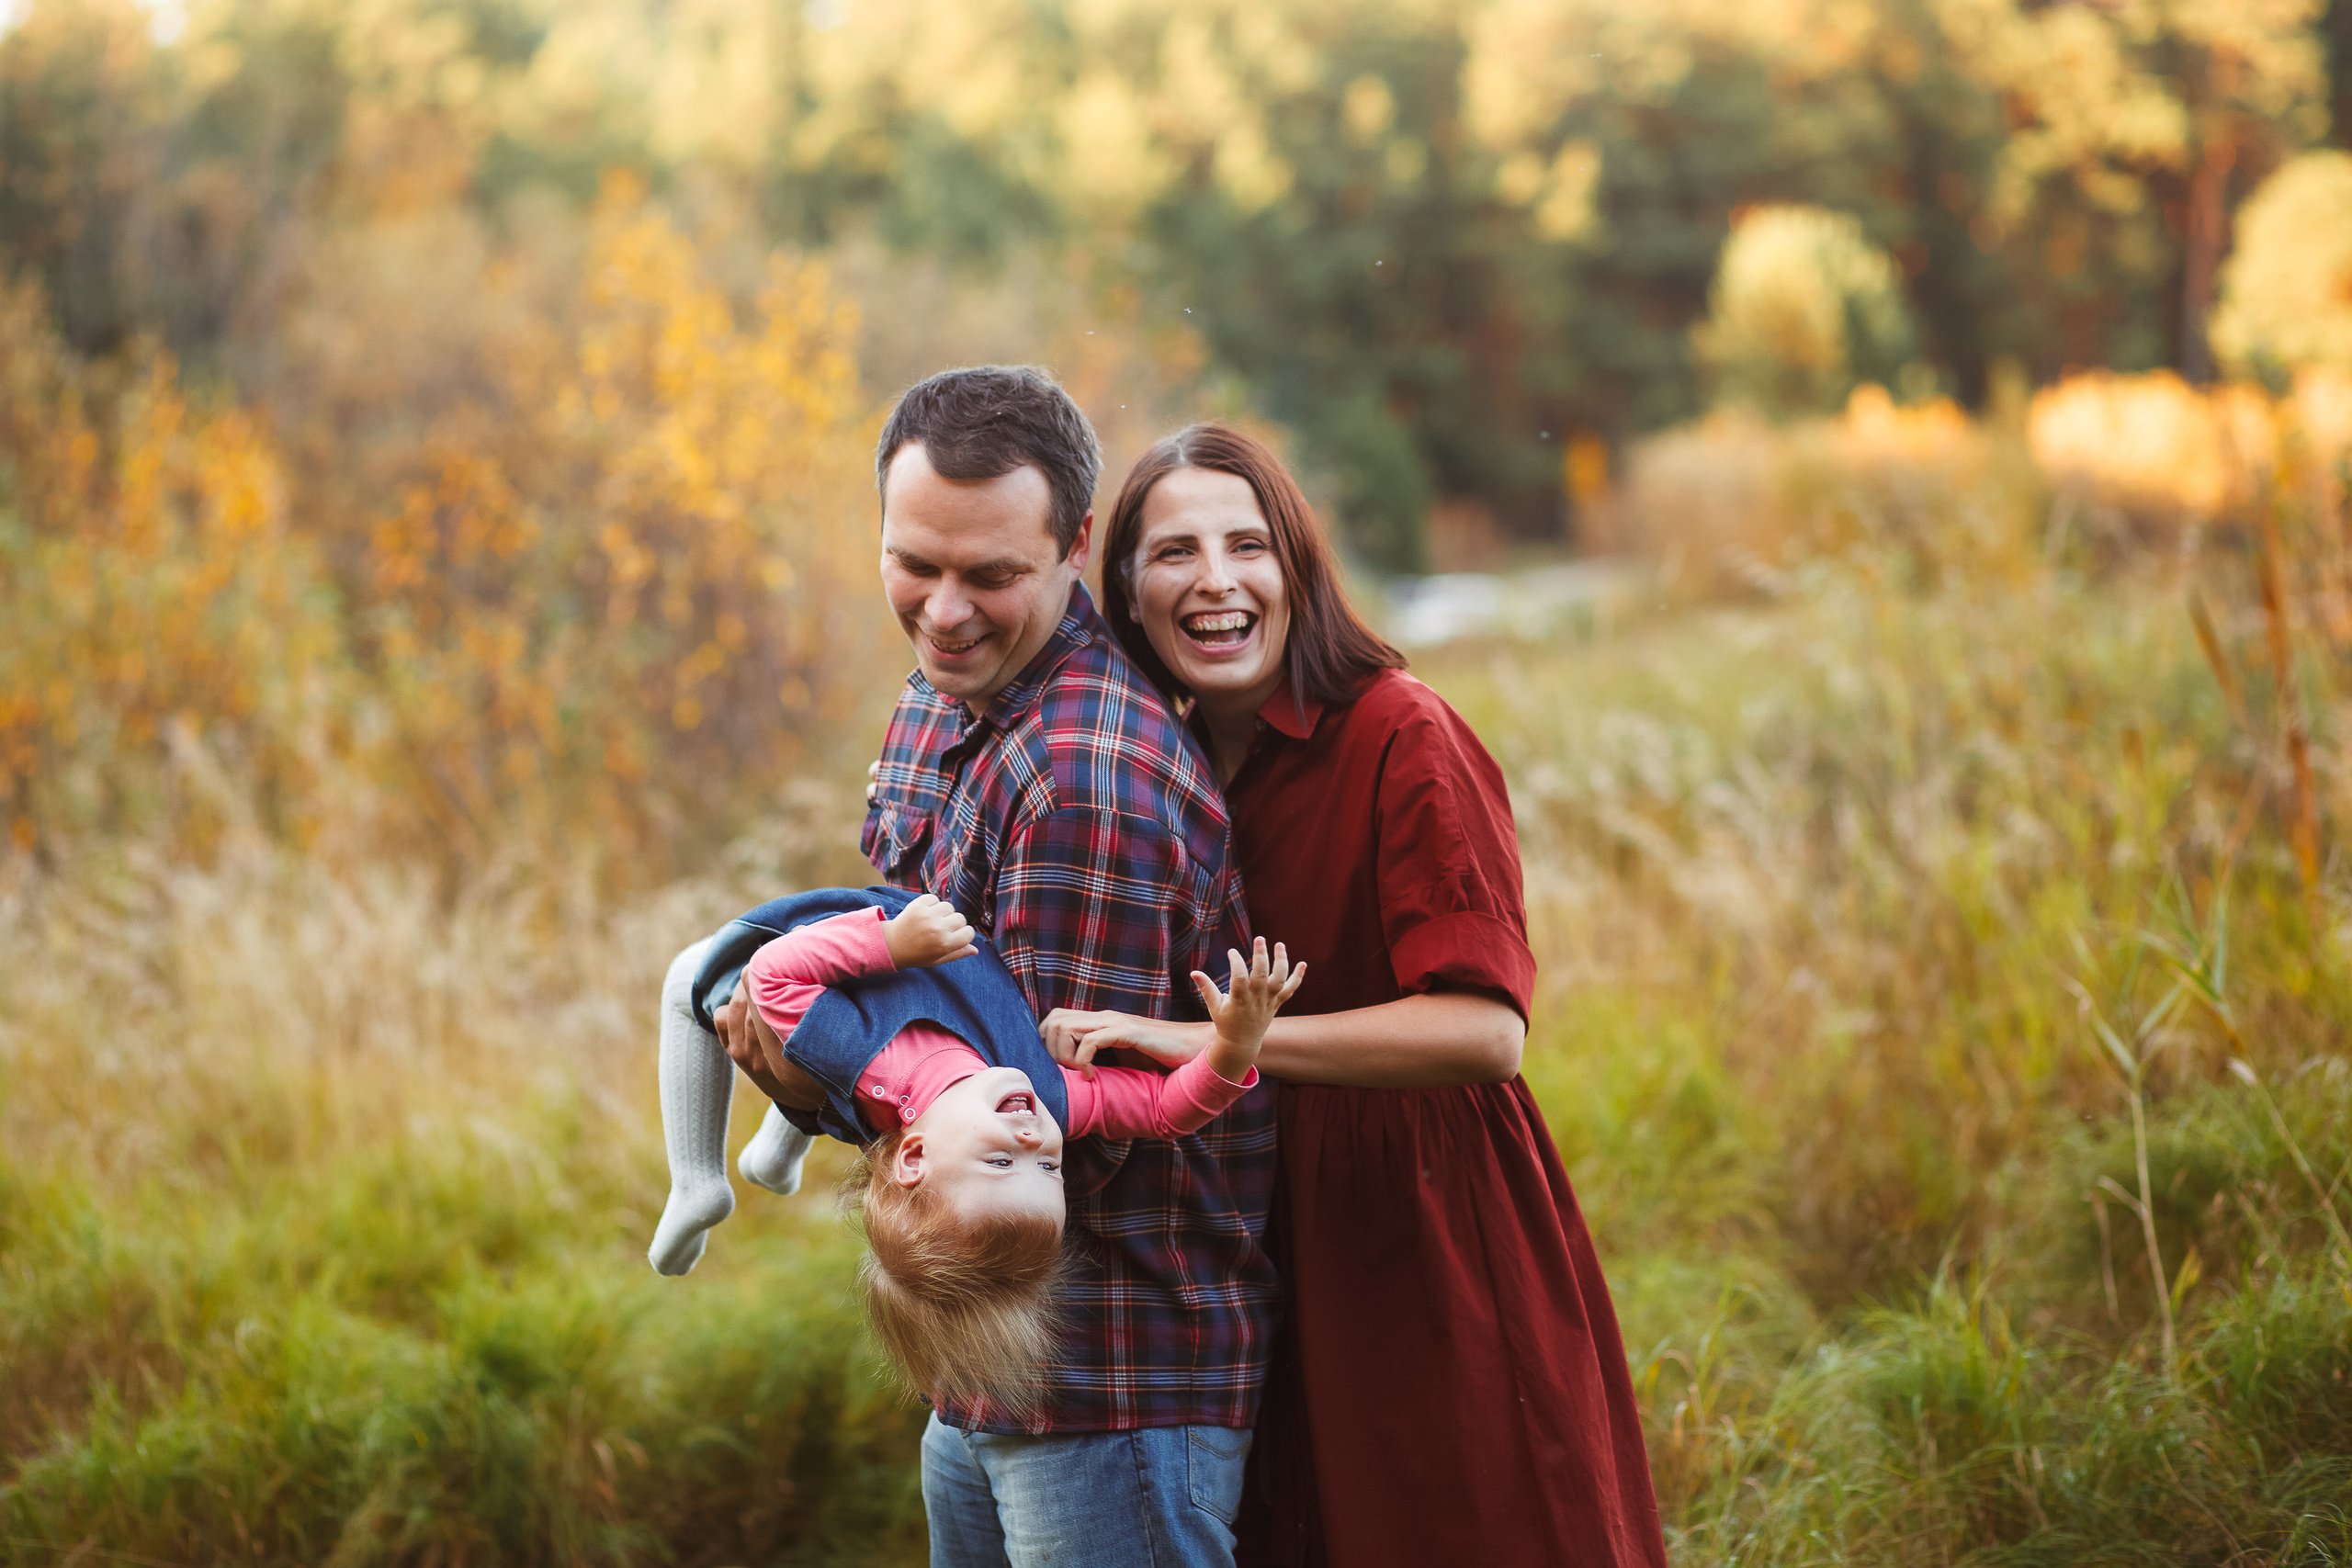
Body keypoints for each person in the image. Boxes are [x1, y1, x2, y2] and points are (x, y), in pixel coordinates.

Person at [1048, 423, 1669, 1568]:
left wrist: (1211, 1046)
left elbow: (1483, 1032)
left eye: (1247, 545)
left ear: (1297, 567)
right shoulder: (1162, 764)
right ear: (1125, 592)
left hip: (1418, 1218)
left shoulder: (1399, 730)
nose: (1216, 580)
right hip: (1255, 1234)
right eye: (1175, 552)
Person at [715, 368, 1280, 1568]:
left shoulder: (1084, 781)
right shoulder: (946, 690)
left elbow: (1045, 1121)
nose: (944, 611)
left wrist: (808, 1070)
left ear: (1075, 544)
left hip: (1111, 1380)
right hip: (981, 1371)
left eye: (989, 574)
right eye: (914, 562)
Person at [649, 886, 1300, 1420]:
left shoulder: (859, 1053)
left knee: (687, 984)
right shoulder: (1050, 1100)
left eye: (1001, 1164)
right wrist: (1234, 1045)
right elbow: (1164, 1110)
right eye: (1049, 1168)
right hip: (882, 972)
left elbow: (772, 975)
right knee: (808, 1070)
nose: (1033, 1141)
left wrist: (890, 944)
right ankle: (775, 1152)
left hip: (836, 950)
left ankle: (697, 1180)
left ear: (915, 1158)